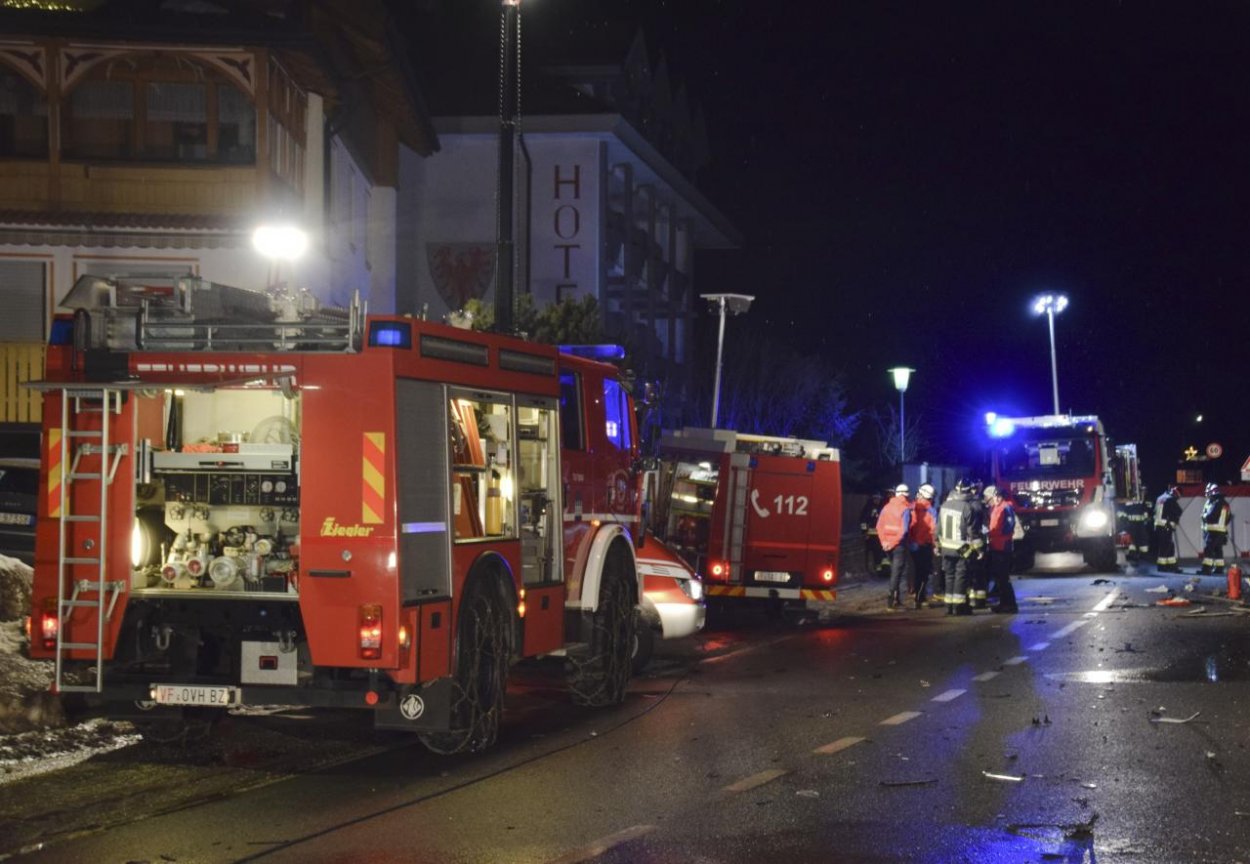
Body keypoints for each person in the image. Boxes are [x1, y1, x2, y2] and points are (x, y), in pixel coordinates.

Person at [938, 479, 976, 616]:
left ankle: (948, 606)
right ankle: (958, 607)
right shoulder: (967, 507)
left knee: (949, 576)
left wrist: (937, 545)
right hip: (961, 547)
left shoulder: (944, 505)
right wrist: (978, 550)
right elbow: (972, 532)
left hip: (946, 547)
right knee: (961, 576)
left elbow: (938, 529)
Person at [876, 484, 913, 610]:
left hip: (887, 546)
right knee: (897, 573)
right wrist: (892, 543)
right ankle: (891, 602)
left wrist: (884, 542)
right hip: (898, 545)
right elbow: (904, 530)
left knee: (894, 572)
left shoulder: (886, 507)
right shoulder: (905, 509)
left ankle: (895, 600)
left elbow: (879, 526)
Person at [984, 485, 1018, 613]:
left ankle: (1010, 604)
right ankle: (1004, 603)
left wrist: (992, 533)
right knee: (1000, 577)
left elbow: (1008, 526)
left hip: (1003, 546)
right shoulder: (996, 508)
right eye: (995, 497)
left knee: (1003, 578)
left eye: (998, 497)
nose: (996, 499)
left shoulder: (1005, 508)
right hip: (996, 545)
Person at [909, 483, 937, 608]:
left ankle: (915, 594)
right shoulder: (931, 510)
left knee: (914, 571)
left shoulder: (911, 507)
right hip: (925, 545)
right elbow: (934, 530)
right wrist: (935, 545)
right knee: (923, 572)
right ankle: (920, 597)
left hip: (912, 544)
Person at [1199, 482, 1232, 575]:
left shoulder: (1216, 503)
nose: (1207, 495)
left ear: (1212, 492)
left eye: (1208, 493)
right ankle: (1219, 568)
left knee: (1208, 550)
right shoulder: (1225, 503)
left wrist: (1203, 516)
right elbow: (1229, 517)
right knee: (1218, 550)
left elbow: (1210, 516)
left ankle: (1206, 569)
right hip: (1221, 531)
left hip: (1212, 531)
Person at [966, 480, 989, 608]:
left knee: (967, 571)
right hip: (978, 541)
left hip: (965, 543)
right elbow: (985, 525)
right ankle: (980, 600)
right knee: (979, 571)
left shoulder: (964, 504)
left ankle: (970, 599)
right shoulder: (980, 505)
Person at [1154, 485, 1182, 573]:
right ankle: (1162, 566)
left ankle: (1171, 565)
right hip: (1166, 525)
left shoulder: (1160, 498)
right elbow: (1178, 511)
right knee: (1166, 546)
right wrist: (1175, 520)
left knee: (1168, 545)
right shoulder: (1170, 499)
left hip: (1158, 525)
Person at [859, 491, 885, 577]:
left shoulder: (881, 508)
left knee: (879, 553)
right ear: (873, 499)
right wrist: (864, 532)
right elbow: (863, 521)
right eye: (876, 499)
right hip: (870, 536)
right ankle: (871, 570)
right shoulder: (868, 508)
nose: (877, 500)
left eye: (878, 499)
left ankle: (879, 570)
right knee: (870, 553)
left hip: (880, 536)